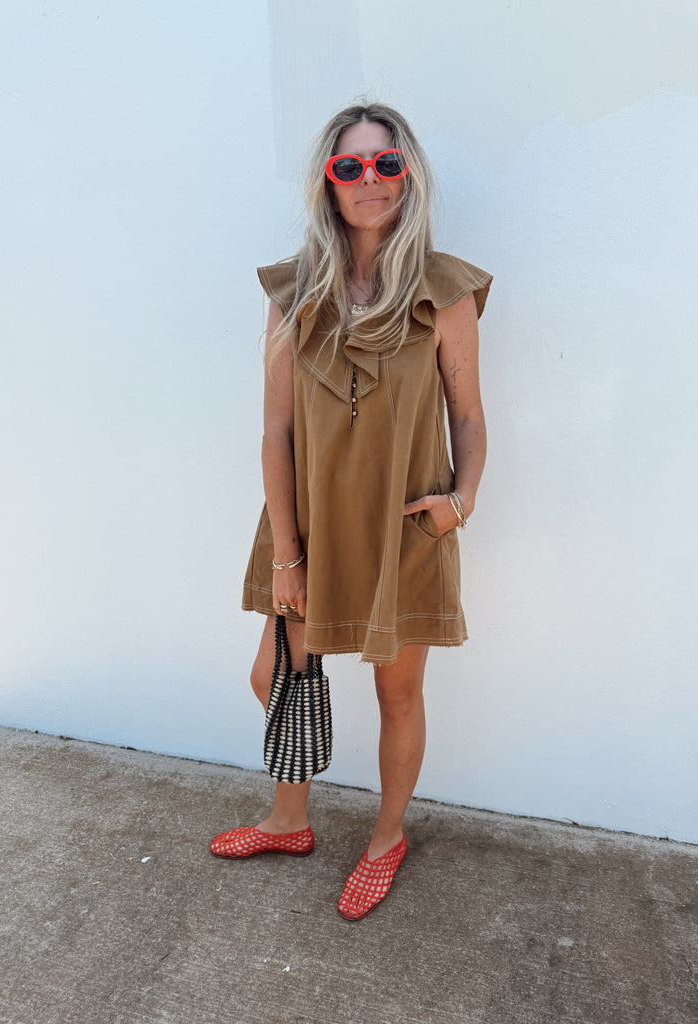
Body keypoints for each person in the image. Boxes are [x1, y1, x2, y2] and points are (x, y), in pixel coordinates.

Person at [210, 103, 492, 921]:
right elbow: (276, 429)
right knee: (278, 674)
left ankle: (385, 838)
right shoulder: (294, 290)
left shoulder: (445, 291)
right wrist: (286, 551)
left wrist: (461, 502)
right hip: (306, 527)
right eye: (350, 166)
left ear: (408, 176)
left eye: (386, 163)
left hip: (406, 526)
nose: (371, 179)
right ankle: (289, 820)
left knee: (397, 695)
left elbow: (468, 415)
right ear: (328, 184)